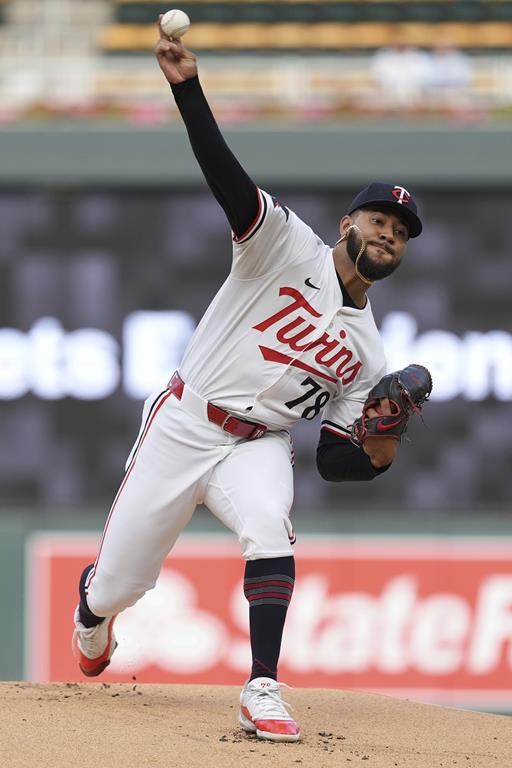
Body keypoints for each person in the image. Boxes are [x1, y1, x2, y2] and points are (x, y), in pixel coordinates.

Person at [72, 19, 425, 744]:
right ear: (346, 221)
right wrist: (188, 90)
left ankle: (262, 685)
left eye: (403, 228)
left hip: (259, 445)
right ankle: (93, 610)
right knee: (119, 586)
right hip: (185, 421)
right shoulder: (284, 245)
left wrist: (381, 448)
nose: (391, 231)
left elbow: (333, 459)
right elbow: (227, 180)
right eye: (380, 217)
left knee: (271, 531)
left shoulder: (366, 350)